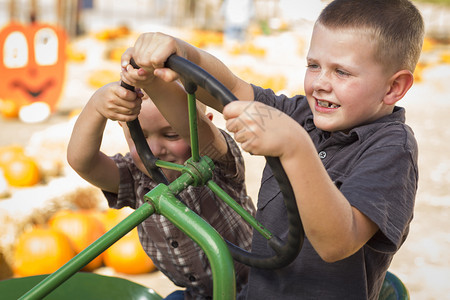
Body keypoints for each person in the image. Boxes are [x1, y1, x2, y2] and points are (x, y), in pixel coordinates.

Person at [119, 0, 424, 298]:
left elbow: (337, 243)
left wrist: (295, 148)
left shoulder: (392, 149)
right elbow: (232, 90)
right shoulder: (302, 114)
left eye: (341, 72)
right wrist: (179, 57)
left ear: (393, 88)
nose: (320, 83)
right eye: (313, 65)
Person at [67, 80, 256, 299]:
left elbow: (199, 129)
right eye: (142, 137)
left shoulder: (215, 163)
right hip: (199, 294)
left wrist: (152, 80)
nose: (155, 150)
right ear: (124, 129)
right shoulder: (135, 177)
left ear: (207, 125)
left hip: (259, 284)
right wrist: (96, 106)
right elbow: (83, 162)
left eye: (172, 135)